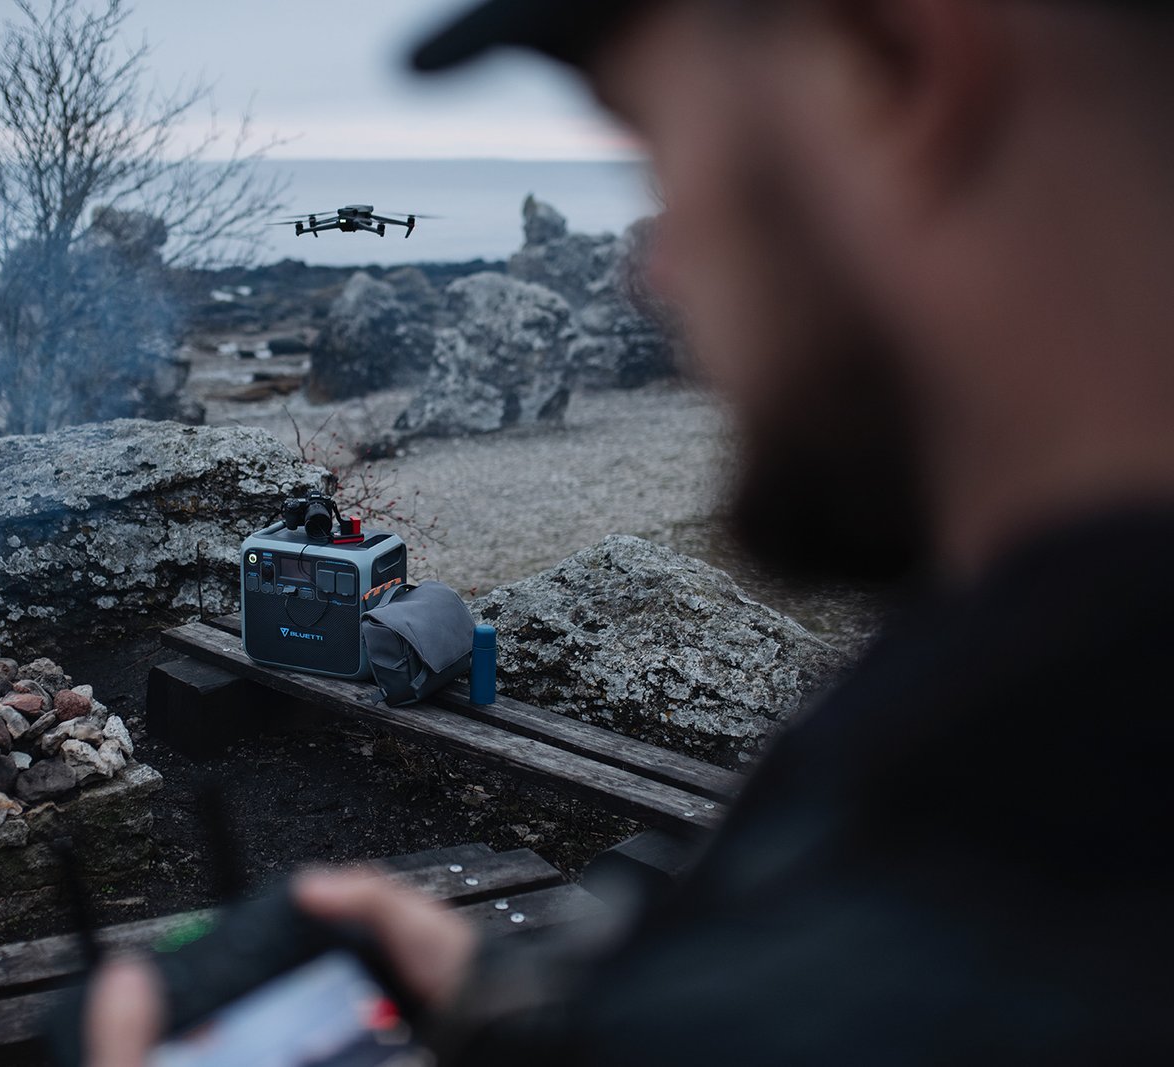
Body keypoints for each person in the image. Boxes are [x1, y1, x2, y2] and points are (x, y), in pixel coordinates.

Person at [90, 0, 1174, 1061]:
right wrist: (492, 999)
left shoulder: (985, 897)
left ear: (890, 65)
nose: (655, 273)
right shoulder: (1025, 714)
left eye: (656, 146)